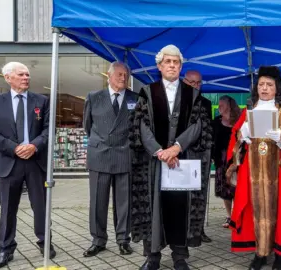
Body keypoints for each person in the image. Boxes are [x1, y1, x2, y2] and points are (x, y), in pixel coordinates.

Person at [129, 44, 212, 270]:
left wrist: (176, 147)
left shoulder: (193, 94)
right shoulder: (147, 91)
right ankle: (152, 256)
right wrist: (160, 151)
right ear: (159, 65)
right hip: (155, 162)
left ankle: (179, 256)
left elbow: (198, 125)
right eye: (168, 61)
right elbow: (141, 126)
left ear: (181, 66)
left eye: (176, 62)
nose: (172, 65)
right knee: (153, 207)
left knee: (181, 207)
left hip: (181, 161)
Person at [227, 66, 281, 270]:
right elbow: (235, 140)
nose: (264, 88)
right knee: (255, 210)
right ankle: (260, 253)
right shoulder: (248, 111)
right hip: (253, 172)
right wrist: (241, 136)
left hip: (280, 171)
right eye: (261, 84)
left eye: (269, 85)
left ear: (276, 88)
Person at [0, 62, 54, 269]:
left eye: (27, 74)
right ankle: (6, 248)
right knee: (7, 208)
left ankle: (45, 242)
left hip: (35, 162)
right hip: (9, 163)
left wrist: (34, 145)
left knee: (41, 206)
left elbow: (49, 129)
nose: (26, 77)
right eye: (21, 74)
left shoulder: (41, 101)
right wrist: (15, 148)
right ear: (8, 77)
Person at [82, 61, 138, 257]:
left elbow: (137, 128)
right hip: (100, 156)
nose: (123, 78)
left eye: (126, 75)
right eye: (119, 74)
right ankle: (98, 240)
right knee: (98, 201)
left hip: (125, 155)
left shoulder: (135, 98)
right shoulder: (94, 97)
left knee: (124, 203)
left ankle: (123, 239)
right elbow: (87, 126)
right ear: (109, 75)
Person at [183, 70, 213, 243]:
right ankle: (184, 230)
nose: (195, 86)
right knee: (184, 195)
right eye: (192, 82)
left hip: (202, 155)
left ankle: (198, 229)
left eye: (198, 83)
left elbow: (208, 130)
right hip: (183, 154)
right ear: (184, 82)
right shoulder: (177, 103)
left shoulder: (206, 103)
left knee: (201, 193)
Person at [211, 95, 241, 228]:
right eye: (219, 105)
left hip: (237, 159)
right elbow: (211, 141)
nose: (219, 107)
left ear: (229, 105)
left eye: (222, 105)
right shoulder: (216, 122)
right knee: (225, 191)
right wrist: (212, 156)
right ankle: (230, 216)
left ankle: (238, 216)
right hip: (221, 160)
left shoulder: (240, 120)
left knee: (237, 189)